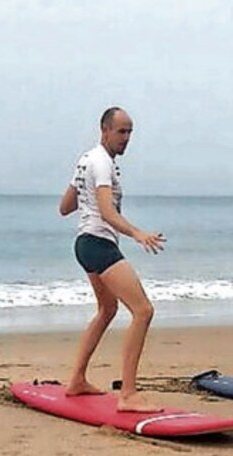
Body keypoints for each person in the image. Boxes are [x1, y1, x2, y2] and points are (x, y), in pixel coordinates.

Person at [58, 107, 166, 412]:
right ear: (104, 130)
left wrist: (87, 194)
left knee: (107, 309)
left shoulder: (86, 160)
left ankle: (77, 380)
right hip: (98, 244)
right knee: (143, 310)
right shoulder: (102, 163)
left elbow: (65, 206)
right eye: (121, 131)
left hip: (84, 244)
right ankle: (128, 394)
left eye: (130, 132)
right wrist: (137, 233)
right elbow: (107, 212)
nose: (126, 138)